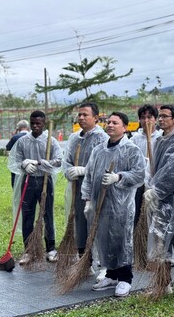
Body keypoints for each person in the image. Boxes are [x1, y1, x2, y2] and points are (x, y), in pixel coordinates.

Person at [81, 112, 145, 297]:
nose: (110, 125)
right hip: (100, 203)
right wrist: (87, 200)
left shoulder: (131, 150)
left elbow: (140, 174)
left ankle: (125, 278)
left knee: (121, 240)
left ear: (124, 127)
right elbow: (89, 176)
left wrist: (119, 177)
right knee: (104, 239)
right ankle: (110, 274)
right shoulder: (99, 150)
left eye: (115, 123)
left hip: (121, 205)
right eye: (108, 122)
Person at [144, 105, 174, 295]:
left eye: (165, 116)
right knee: (160, 241)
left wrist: (156, 191)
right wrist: (150, 186)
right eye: (159, 116)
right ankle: (163, 283)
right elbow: (153, 168)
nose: (160, 119)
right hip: (160, 199)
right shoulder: (159, 141)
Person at [8, 110, 63, 264]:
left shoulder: (50, 141)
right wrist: (24, 164)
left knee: (47, 215)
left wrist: (40, 163)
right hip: (29, 181)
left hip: (45, 181)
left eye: (38, 123)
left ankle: (51, 248)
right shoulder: (23, 141)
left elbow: (59, 161)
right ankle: (28, 250)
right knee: (27, 215)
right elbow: (14, 160)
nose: (35, 126)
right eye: (32, 123)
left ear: (43, 123)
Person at [62, 103, 109, 262]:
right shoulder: (75, 138)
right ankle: (84, 259)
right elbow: (66, 160)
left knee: (96, 222)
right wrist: (69, 171)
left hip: (95, 189)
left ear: (95, 118)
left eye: (85, 115)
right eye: (79, 114)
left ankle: (101, 261)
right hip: (77, 186)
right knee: (79, 222)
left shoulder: (102, 138)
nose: (81, 118)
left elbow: (105, 164)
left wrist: (84, 170)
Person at [129, 104, 162, 228]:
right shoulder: (134, 139)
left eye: (149, 117)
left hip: (154, 184)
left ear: (156, 119)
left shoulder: (160, 139)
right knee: (136, 215)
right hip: (137, 184)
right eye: (143, 117)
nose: (146, 121)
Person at [6, 120, 30, 188]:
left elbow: (8, 147)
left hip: (17, 163)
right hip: (30, 162)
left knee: (16, 184)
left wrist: (15, 134)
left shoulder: (15, 137)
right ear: (28, 127)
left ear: (18, 128)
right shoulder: (32, 136)